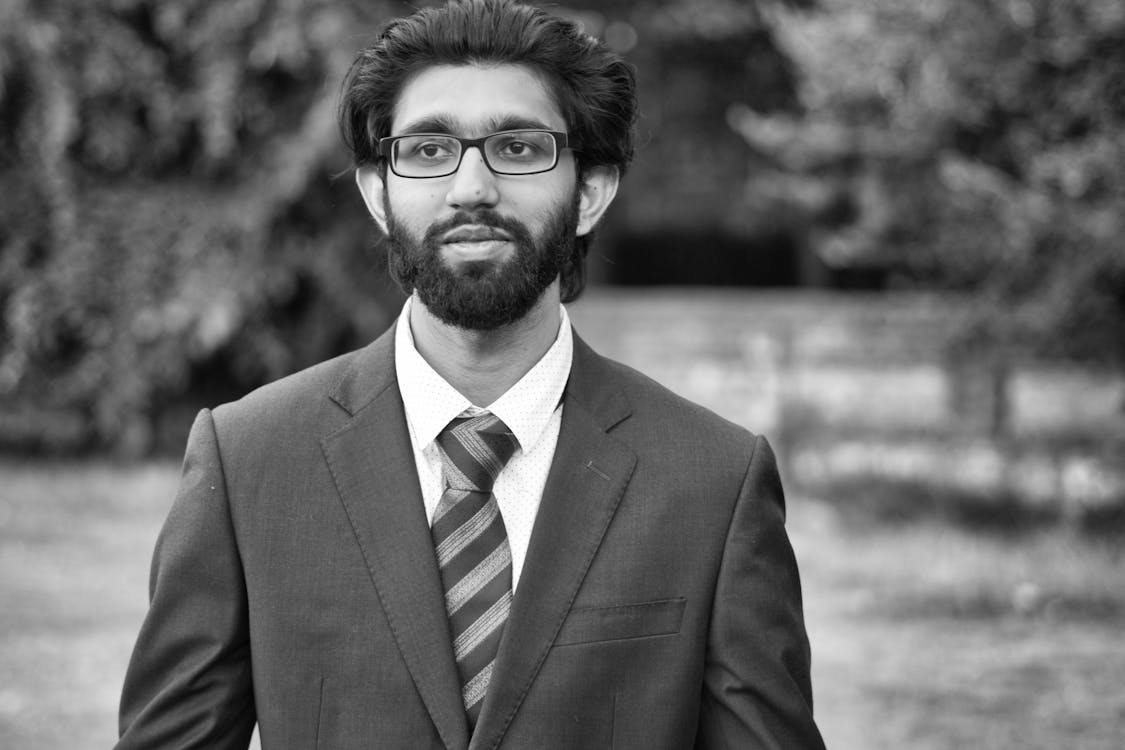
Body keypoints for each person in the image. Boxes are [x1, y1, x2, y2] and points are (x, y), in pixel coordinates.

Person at [116, 1, 825, 747]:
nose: (470, 188)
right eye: (427, 151)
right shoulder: (248, 458)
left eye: (518, 149)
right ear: (376, 193)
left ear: (590, 192)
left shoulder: (713, 479)